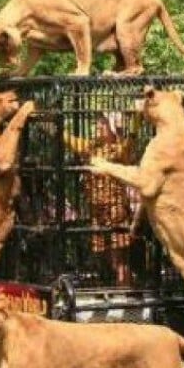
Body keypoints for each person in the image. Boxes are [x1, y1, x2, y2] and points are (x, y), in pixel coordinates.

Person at [64, 111, 140, 285]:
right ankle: (121, 286)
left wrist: (138, 117)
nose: (97, 126)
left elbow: (131, 139)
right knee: (104, 254)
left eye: (102, 123)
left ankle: (124, 292)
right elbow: (67, 138)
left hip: (115, 210)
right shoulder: (90, 147)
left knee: (119, 257)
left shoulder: (119, 149)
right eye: (97, 123)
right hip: (97, 212)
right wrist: (50, 123)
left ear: (112, 129)